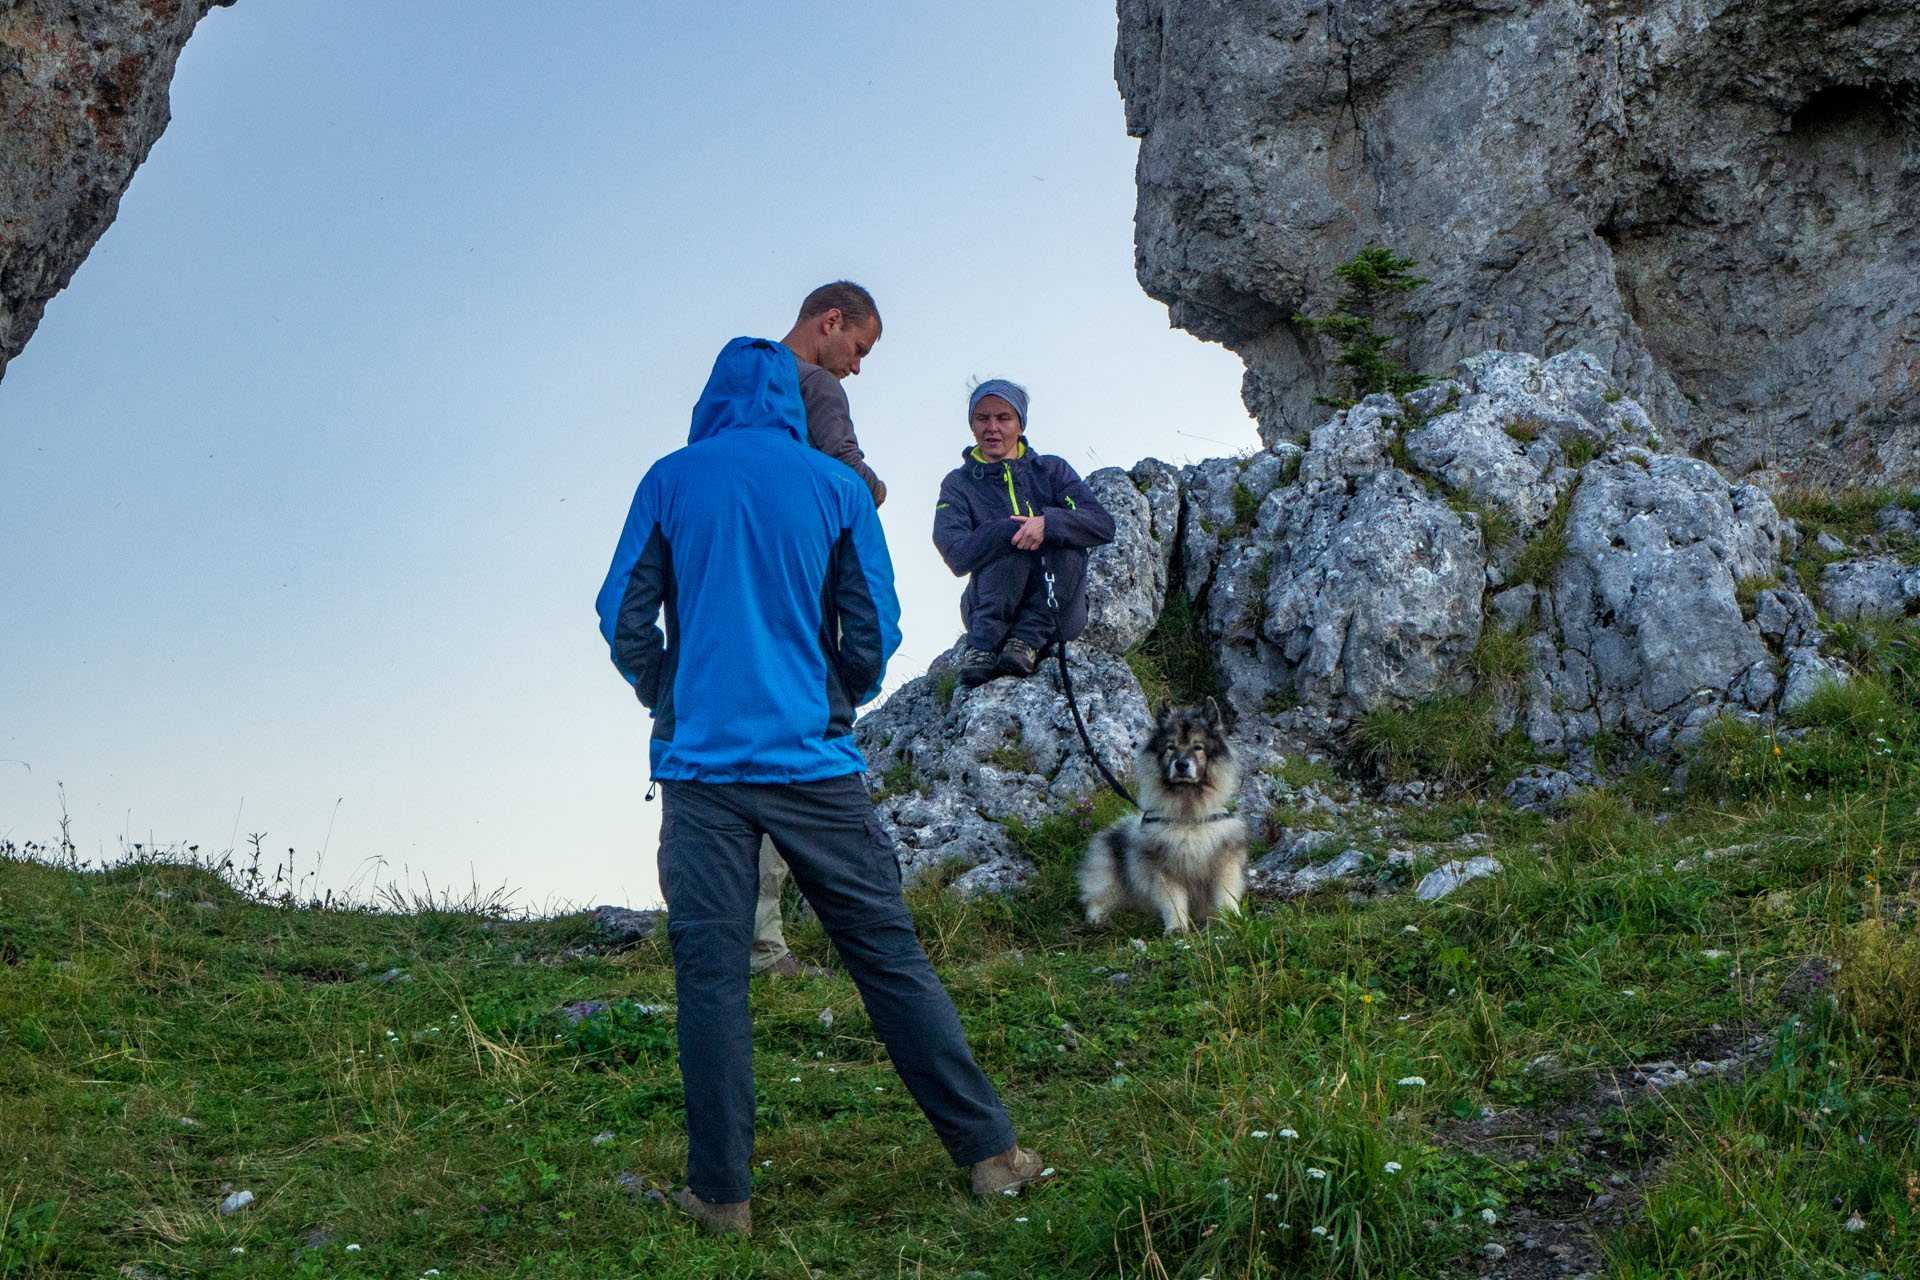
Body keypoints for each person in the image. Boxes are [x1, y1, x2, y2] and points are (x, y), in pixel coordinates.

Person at [596, 336, 1043, 1236]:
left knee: (712, 980)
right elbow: (873, 622)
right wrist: (840, 697)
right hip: (816, 765)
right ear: (795, 402)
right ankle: (992, 1156)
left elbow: (621, 611)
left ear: (714, 397)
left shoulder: (670, 479)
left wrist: (666, 694)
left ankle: (721, 1199)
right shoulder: (836, 487)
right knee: (888, 959)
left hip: (702, 774)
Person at [749, 281, 889, 981]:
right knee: (797, 760)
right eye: (858, 347)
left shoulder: (740, 389)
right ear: (830, 322)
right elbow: (847, 482)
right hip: (799, 604)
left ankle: (731, 937)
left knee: (727, 766)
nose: (856, 366)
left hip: (726, 606)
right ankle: (768, 948)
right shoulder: (817, 389)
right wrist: (878, 486)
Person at [933, 379, 1115, 687]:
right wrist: (1009, 530)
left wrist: (1047, 523)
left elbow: (1101, 524)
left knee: (1062, 534)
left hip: (1057, 613)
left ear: (1020, 424)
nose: (992, 427)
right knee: (1012, 546)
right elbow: (956, 553)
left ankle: (1026, 642)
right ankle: (983, 647)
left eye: (1003, 418)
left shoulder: (1052, 470)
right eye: (982, 418)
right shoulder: (958, 484)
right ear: (972, 425)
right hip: (987, 613)